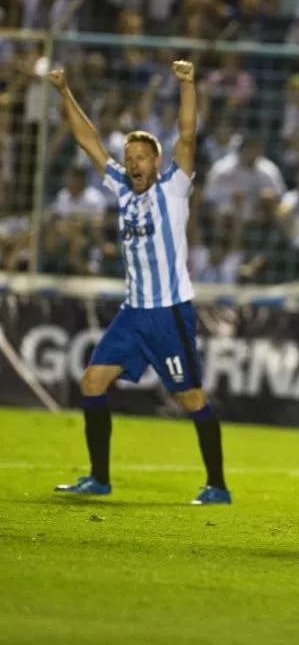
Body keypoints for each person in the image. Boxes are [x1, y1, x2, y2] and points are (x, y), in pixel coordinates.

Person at [48, 62, 230, 506]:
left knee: (191, 398)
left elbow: (187, 137)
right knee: (92, 382)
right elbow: (88, 140)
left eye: (141, 158)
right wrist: (64, 90)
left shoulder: (173, 188)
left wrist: (187, 84)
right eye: (129, 158)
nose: (132, 164)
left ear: (157, 162)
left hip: (169, 313)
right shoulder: (122, 190)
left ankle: (218, 486)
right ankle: (99, 477)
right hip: (133, 313)